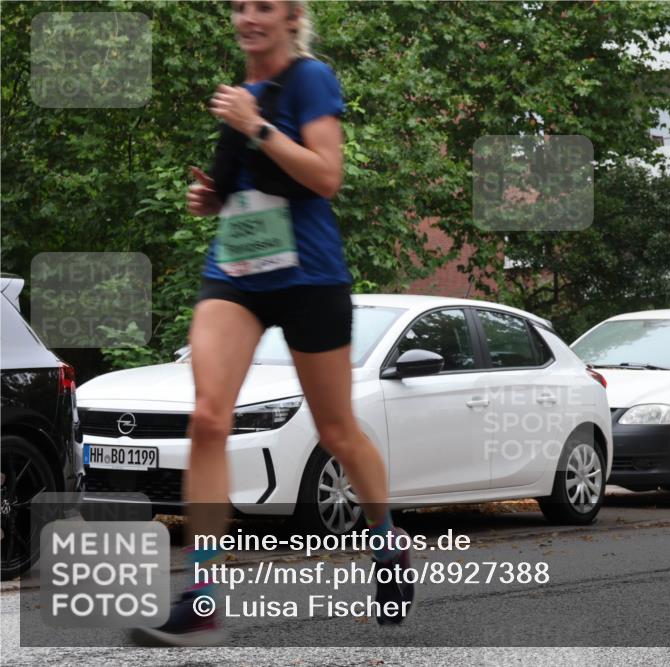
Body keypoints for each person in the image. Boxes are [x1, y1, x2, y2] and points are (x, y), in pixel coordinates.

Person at [132, 0, 412, 646]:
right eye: (239, 6)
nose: (248, 17)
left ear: (291, 18)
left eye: (263, 6)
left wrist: (256, 126)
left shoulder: (310, 79)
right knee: (207, 415)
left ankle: (388, 541)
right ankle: (203, 592)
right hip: (236, 270)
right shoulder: (241, 93)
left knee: (338, 429)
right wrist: (213, 196)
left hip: (309, 277)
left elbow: (327, 175)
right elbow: (246, 185)